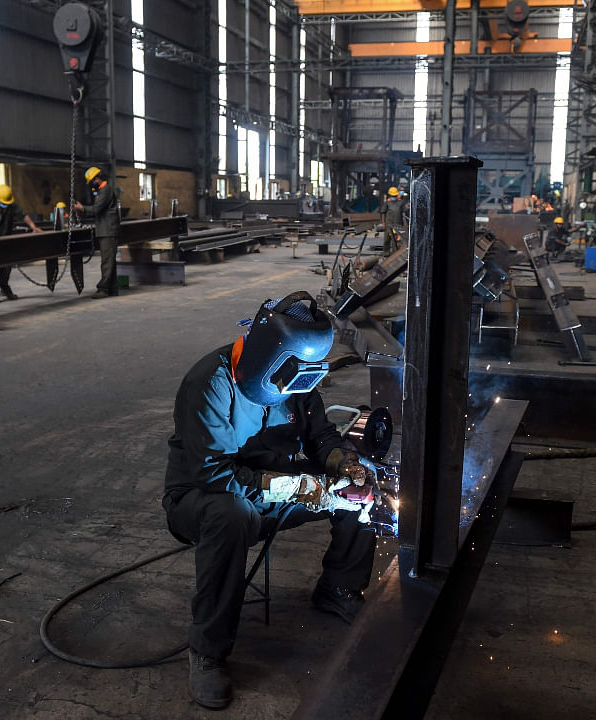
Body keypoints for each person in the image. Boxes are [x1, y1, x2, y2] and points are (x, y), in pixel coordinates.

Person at [164, 291, 379, 709]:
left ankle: (339, 587)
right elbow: (215, 475)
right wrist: (301, 489)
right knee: (231, 514)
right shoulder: (210, 382)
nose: (298, 383)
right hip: (203, 498)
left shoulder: (299, 373)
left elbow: (321, 439)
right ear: (267, 355)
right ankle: (207, 651)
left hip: (270, 489)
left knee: (358, 490)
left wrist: (344, 465)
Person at [0, 184, 42, 302]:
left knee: (6, 267)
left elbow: (23, 216)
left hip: (6, 241)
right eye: (4, 203)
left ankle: (4, 289)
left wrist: (33, 227)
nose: (6, 205)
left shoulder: (10, 205)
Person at [72, 166, 122, 299]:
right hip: (105, 230)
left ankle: (103, 289)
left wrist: (82, 208)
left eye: (92, 181)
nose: (92, 184)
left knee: (107, 261)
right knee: (109, 260)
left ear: (97, 178)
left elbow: (96, 209)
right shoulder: (103, 190)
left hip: (108, 231)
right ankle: (112, 288)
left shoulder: (106, 191)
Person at [381, 186, 406, 256]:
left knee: (397, 240)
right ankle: (386, 252)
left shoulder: (401, 202)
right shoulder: (387, 203)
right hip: (389, 224)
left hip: (398, 224)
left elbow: (403, 213)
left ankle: (395, 253)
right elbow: (383, 213)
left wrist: (404, 223)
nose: (394, 196)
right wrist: (383, 223)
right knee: (387, 239)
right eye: (393, 195)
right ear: (390, 195)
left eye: (394, 195)